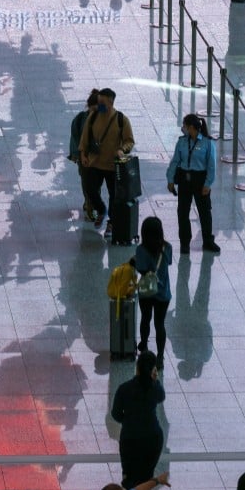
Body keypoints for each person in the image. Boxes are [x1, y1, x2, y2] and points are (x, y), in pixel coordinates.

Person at [111, 350, 165, 490]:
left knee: (129, 473)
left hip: (130, 438)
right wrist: (155, 381)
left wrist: (129, 420)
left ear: (137, 368)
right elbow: (162, 396)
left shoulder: (124, 389)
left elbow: (115, 414)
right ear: (152, 370)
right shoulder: (154, 389)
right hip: (152, 438)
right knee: (147, 474)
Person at [78, 88, 134, 236]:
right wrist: (83, 154)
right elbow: (85, 137)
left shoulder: (121, 119)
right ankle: (101, 209)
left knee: (114, 195)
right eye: (98, 101)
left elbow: (129, 140)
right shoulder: (93, 116)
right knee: (90, 188)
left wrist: (123, 149)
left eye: (102, 102)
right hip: (95, 163)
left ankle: (112, 223)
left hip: (112, 165)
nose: (99, 105)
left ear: (111, 102)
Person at [166, 114, 219, 255]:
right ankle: (184, 242)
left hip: (200, 179)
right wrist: (170, 179)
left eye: (184, 126)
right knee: (183, 211)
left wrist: (208, 184)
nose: (183, 129)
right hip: (184, 179)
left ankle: (208, 240)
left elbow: (211, 165)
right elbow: (175, 161)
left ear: (191, 127)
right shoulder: (182, 142)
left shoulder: (208, 143)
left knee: (204, 212)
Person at [134, 216, 172, 367]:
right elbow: (168, 263)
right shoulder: (167, 247)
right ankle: (160, 356)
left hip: (146, 292)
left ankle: (143, 345)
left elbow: (141, 269)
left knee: (145, 318)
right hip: (163, 292)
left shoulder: (141, 250)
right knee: (160, 323)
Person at [68, 88, 98, 220]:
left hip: (99, 159)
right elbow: (75, 138)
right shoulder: (81, 119)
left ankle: (90, 203)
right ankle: (90, 205)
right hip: (85, 158)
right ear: (89, 107)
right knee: (88, 183)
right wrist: (77, 155)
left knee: (95, 184)